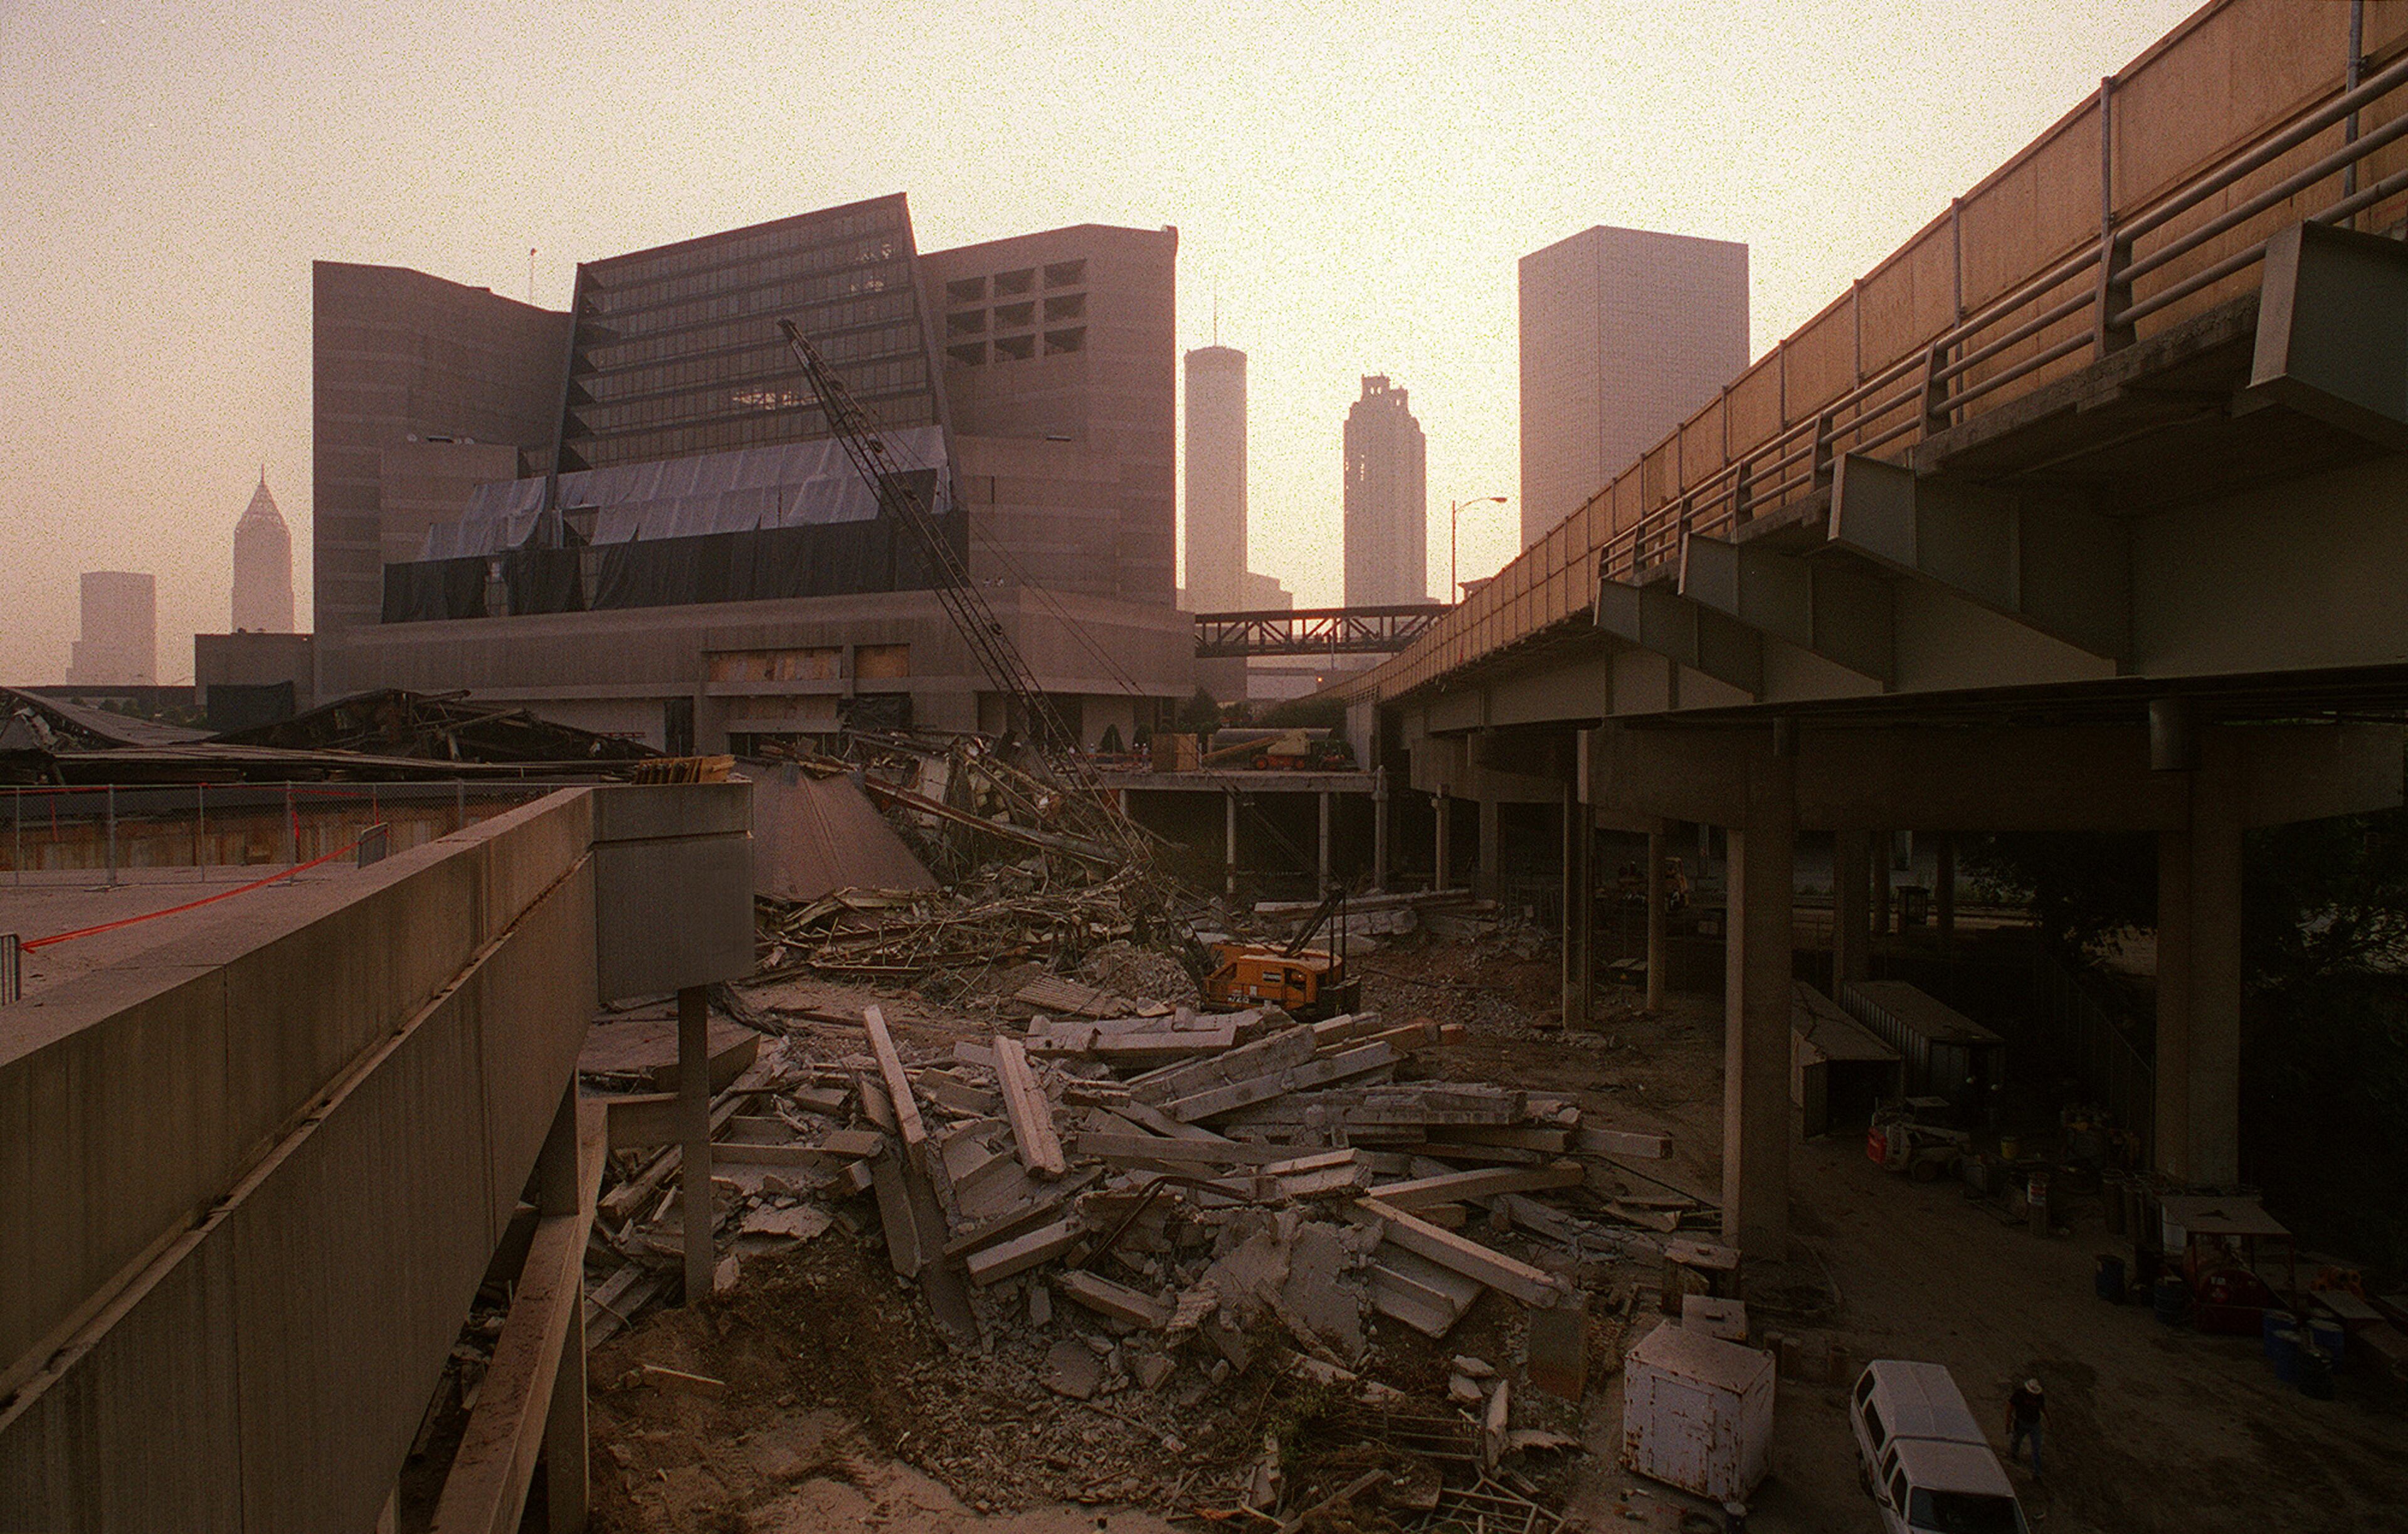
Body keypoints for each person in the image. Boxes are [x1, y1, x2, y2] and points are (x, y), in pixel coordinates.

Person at [2006, 1378, 2047, 1478]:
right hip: (2021, 1422)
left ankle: (2037, 1472)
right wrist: (2008, 1421)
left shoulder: (2039, 1397)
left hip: (2034, 1424)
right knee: (2017, 1440)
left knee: (2036, 1448)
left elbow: (2042, 1407)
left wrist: (2048, 1418)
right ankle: (2014, 1454)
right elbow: (2010, 1407)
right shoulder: (2019, 1394)